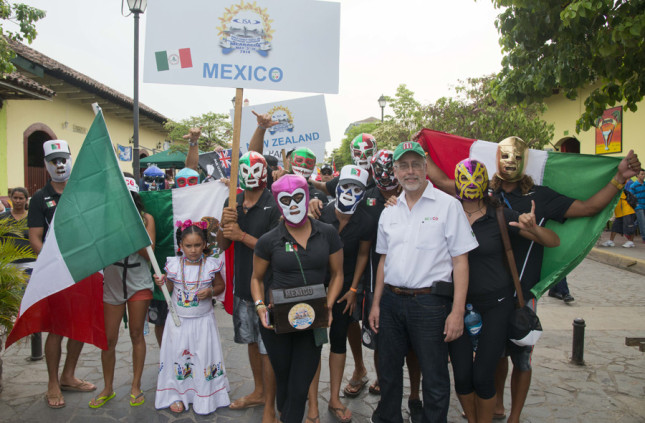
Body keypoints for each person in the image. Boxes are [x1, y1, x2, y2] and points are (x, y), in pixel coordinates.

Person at [420, 135, 640, 423]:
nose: (510, 162)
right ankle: (493, 408)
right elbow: (447, 183)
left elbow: (584, 211)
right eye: (504, 156)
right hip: (465, 300)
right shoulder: (470, 200)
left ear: (526, 160)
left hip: (518, 294)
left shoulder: (533, 199)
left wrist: (619, 179)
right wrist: (422, 150)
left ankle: (512, 416)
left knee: (517, 358)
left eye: (516, 156)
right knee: (479, 367)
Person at [368, 141, 479, 423]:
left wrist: (457, 312)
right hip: (391, 303)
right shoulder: (389, 211)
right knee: (389, 373)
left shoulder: (449, 206)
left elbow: (460, 262)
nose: (411, 171)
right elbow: (383, 260)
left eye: (416, 164)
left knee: (435, 377)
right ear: (395, 171)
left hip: (430, 305)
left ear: (426, 166)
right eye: (403, 165)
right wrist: (376, 304)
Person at [449, 159, 559, 423]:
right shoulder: (447, 215)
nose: (471, 185)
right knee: (462, 375)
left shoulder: (500, 215)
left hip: (497, 304)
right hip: (457, 306)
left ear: (486, 183)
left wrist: (533, 229)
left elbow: (553, 241)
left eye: (477, 179)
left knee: (484, 375)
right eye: (466, 179)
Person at [251, 174, 344, 423]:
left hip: (312, 320)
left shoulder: (327, 233)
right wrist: (260, 307)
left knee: (300, 384)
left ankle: (289, 416)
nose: (293, 205)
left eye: (298, 198)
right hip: (277, 323)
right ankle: (286, 413)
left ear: (307, 197)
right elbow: (257, 279)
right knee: (284, 380)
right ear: (278, 203)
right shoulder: (268, 240)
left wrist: (329, 305)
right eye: (286, 200)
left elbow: (337, 274)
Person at [27, 140, 97, 409]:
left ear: (70, 160)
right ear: (46, 165)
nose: (59, 164)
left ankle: (69, 375)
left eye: (63, 159)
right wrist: (54, 262)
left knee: (78, 325)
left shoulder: (82, 193)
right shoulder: (38, 198)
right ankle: (53, 382)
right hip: (55, 273)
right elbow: (35, 238)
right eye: (53, 160)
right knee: (56, 329)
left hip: (83, 271)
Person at [217, 151, 281, 423]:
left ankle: (271, 404)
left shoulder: (274, 204)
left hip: (268, 288)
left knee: (268, 347)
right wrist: (224, 224)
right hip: (243, 284)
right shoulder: (234, 201)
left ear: (264, 172)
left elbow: (276, 249)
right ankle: (258, 391)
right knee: (252, 343)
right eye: (246, 170)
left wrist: (241, 235)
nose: (251, 175)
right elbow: (222, 245)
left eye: (256, 169)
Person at [89, 175, 156, 408]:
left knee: (137, 334)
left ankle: (136, 386)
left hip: (139, 281)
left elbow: (150, 255)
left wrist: (133, 231)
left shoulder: (146, 219)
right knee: (108, 339)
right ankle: (107, 388)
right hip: (113, 281)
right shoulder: (106, 220)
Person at [314, 165, 373, 423]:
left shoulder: (366, 220)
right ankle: (310, 399)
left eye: (356, 188)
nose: (350, 192)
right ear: (336, 188)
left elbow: (363, 254)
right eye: (345, 186)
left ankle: (335, 398)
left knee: (339, 338)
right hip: (316, 285)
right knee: (313, 342)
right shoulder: (319, 213)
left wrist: (352, 290)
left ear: (363, 192)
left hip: (346, 284)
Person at [154, 222, 230, 414]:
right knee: (179, 357)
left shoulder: (211, 265)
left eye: (197, 245)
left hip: (203, 322)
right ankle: (176, 395)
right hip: (178, 322)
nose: (193, 250)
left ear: (204, 244)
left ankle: (204, 395)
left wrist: (211, 291)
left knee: (202, 357)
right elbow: (169, 289)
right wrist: (163, 282)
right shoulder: (173, 265)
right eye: (188, 246)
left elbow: (221, 287)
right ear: (181, 245)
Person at [0, 187, 36, 272]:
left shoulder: (33, 217)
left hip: (29, 263)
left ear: (26, 199)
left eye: (21, 198)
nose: (18, 201)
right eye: (15, 198)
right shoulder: (2, 217)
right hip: (7, 263)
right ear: (10, 198)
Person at [628, 169, 645, 243]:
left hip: (644, 205)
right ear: (637, 175)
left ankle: (629, 232)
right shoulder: (633, 185)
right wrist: (636, 205)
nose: (643, 176)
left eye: (644, 174)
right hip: (638, 207)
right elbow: (631, 197)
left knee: (639, 222)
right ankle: (644, 238)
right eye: (642, 174)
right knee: (642, 222)